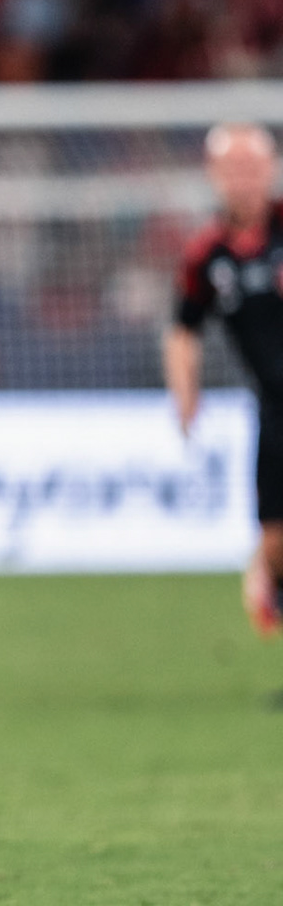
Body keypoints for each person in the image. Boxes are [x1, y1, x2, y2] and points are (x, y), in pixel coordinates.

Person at [165, 122, 283, 634]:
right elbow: (183, 329)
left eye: (252, 167)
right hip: (274, 412)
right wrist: (185, 396)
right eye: (232, 169)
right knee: (275, 543)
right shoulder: (207, 254)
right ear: (214, 176)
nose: (244, 179)